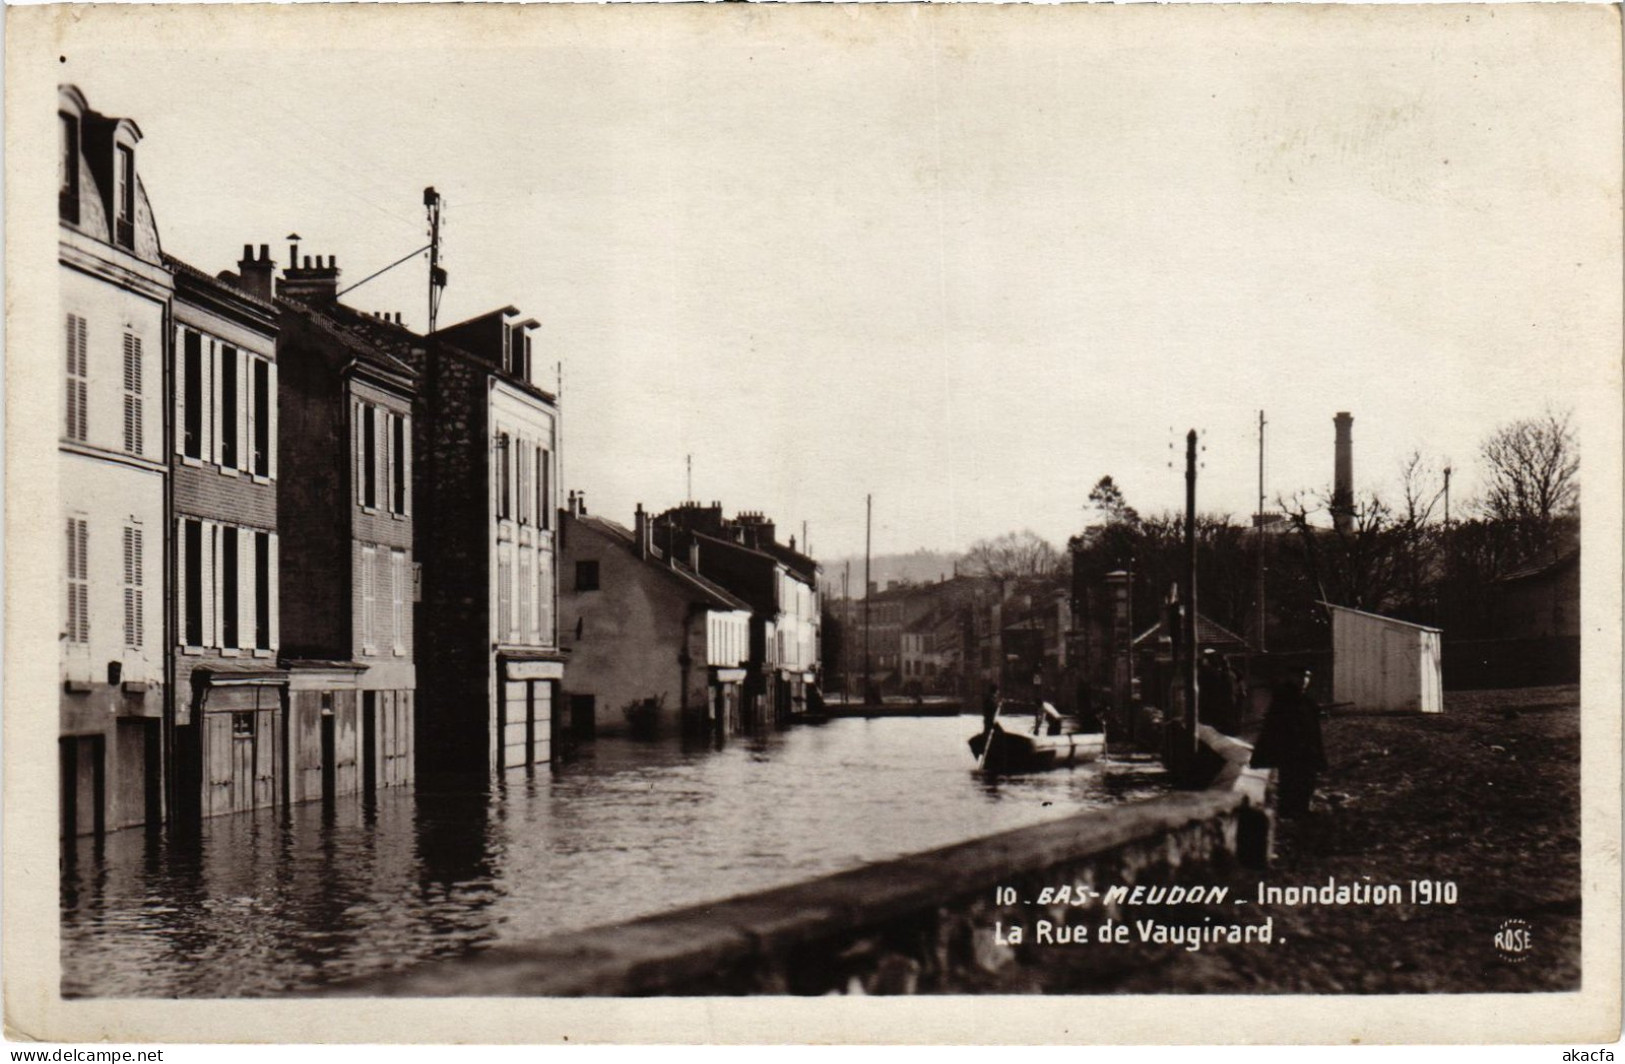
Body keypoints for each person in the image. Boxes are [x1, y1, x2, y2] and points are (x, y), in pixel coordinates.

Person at [1249, 668, 1327, 818]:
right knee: (1291, 780)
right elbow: (1275, 728)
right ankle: (1289, 810)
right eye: (1301, 677)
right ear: (1292, 678)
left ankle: (1301, 808)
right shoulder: (1284, 700)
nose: (1304, 681)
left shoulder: (1305, 701)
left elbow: (1313, 730)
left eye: (1307, 677)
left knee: (1306, 780)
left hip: (1305, 749)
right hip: (1291, 750)